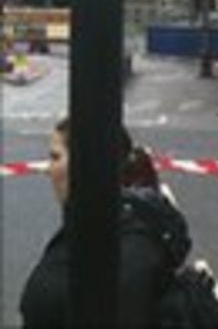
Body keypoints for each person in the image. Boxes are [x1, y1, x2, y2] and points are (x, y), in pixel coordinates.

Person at [20, 118, 190, 328]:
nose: (48, 170)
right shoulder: (100, 225)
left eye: (56, 157)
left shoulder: (127, 253)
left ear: (86, 165)